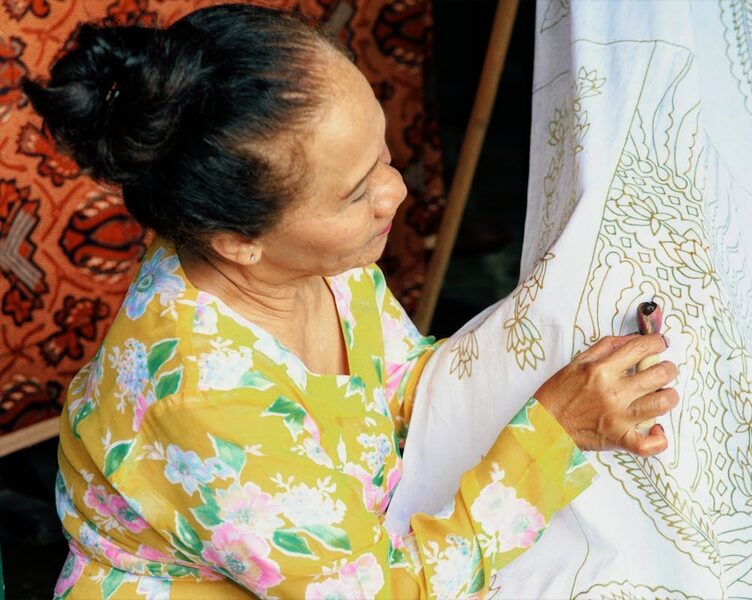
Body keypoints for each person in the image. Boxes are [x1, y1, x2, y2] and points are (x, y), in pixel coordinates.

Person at [24, 4, 679, 598]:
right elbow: (383, 593)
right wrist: (553, 436)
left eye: (384, 152)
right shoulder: (207, 401)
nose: (394, 191)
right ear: (241, 242)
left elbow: (397, 380)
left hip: (336, 538)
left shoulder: (319, 262)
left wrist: (543, 359)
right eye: (354, 192)